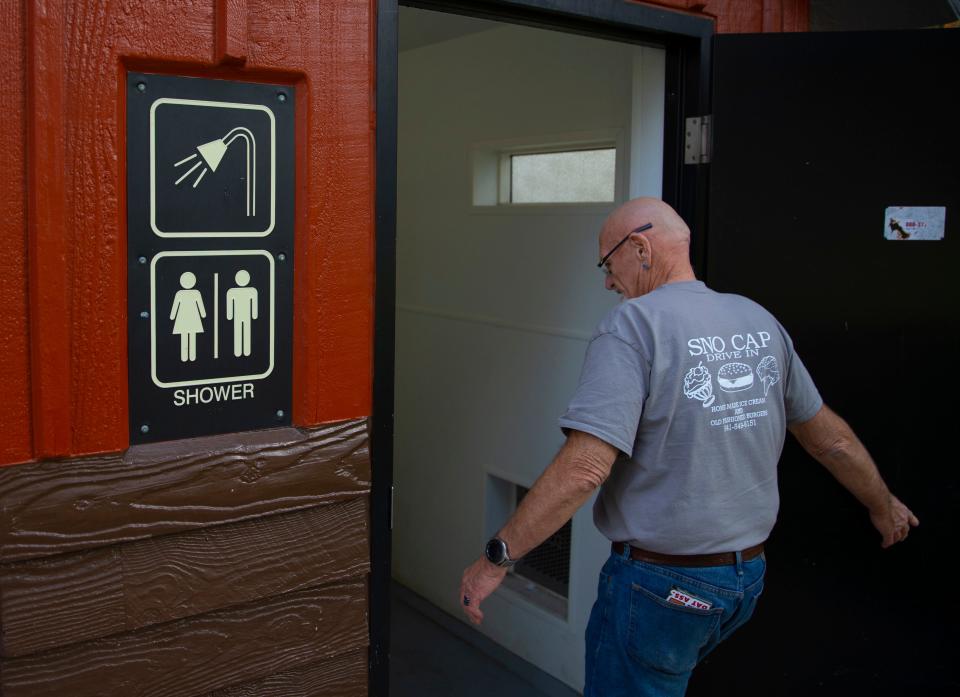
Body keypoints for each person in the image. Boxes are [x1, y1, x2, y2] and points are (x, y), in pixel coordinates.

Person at [459, 197, 919, 696]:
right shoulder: (757, 319)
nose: (608, 282)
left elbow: (585, 468)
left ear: (639, 248)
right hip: (745, 581)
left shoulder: (631, 327)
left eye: (607, 264)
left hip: (662, 587)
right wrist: (883, 504)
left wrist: (496, 560)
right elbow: (829, 439)